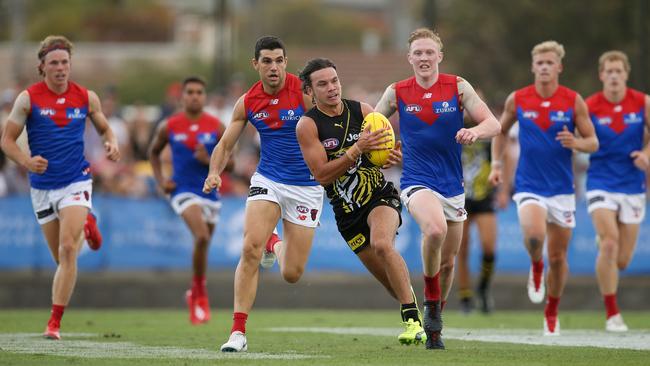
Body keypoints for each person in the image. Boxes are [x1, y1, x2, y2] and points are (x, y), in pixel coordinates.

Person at [375, 28, 500, 349]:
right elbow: (371, 128)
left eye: (429, 52)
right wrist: (380, 150)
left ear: (439, 56)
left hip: (454, 187)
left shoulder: (457, 87)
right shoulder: (397, 91)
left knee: (448, 264)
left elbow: (494, 123)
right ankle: (430, 306)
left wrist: (475, 132)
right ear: (409, 58)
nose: (424, 58)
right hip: (416, 181)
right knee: (434, 230)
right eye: (418, 53)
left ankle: (434, 329)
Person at [203, 36, 325, 352]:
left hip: (307, 187)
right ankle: (237, 332)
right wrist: (214, 172)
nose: (274, 67)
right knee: (249, 248)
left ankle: (275, 242)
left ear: (286, 62)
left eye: (279, 60)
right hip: (268, 179)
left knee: (292, 273)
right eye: (267, 61)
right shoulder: (247, 101)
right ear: (255, 64)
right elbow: (226, 144)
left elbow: (332, 126)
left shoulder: (303, 91)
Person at [296, 57, 426, 346]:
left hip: (379, 196)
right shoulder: (308, 126)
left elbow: (381, 156)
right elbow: (321, 175)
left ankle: (414, 322)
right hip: (347, 215)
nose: (331, 88)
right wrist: (357, 149)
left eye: (334, 81)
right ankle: (420, 312)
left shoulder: (364, 112)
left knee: (382, 243)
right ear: (310, 91)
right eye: (323, 84)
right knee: (393, 285)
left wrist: (390, 156)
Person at [0, 35, 120, 340]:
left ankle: (54, 322)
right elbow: (7, 141)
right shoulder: (28, 99)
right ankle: (87, 223)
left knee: (68, 249)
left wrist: (111, 142)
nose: (60, 68)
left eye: (65, 62)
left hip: (76, 180)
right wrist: (26, 162)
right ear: (43, 66)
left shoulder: (86, 97)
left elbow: (105, 127)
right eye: (54, 63)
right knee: (62, 259)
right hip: (41, 187)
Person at [489, 40, 598, 336]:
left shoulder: (573, 100)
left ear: (559, 67)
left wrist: (576, 143)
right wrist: (497, 165)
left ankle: (552, 309)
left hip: (562, 189)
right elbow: (499, 131)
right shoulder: (519, 99)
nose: (545, 67)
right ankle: (536, 266)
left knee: (559, 258)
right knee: (536, 237)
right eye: (540, 63)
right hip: (529, 185)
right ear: (533, 67)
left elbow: (593, 141)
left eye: (550, 63)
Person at [149, 76, 225, 325]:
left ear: (204, 96)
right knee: (201, 237)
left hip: (209, 192)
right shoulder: (169, 125)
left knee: (203, 245)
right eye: (190, 92)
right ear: (182, 96)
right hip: (181, 190)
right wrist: (161, 180)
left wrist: (209, 159)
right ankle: (201, 296)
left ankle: (194, 292)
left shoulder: (216, 126)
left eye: (199, 92)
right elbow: (153, 152)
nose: (194, 96)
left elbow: (231, 163)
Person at [585, 51, 650, 332]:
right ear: (601, 75)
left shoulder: (642, 102)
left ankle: (606, 247)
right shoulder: (589, 106)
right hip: (600, 182)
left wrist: (647, 153)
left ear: (626, 74)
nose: (613, 76)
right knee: (610, 243)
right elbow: (581, 138)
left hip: (633, 185)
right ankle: (612, 313)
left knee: (622, 260)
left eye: (618, 71)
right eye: (608, 71)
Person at [457, 112, 498, 314]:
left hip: (484, 195)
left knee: (489, 248)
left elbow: (500, 154)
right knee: (461, 249)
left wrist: (504, 188)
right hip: (460, 195)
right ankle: (465, 296)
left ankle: (483, 287)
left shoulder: (487, 130)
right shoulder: (452, 126)